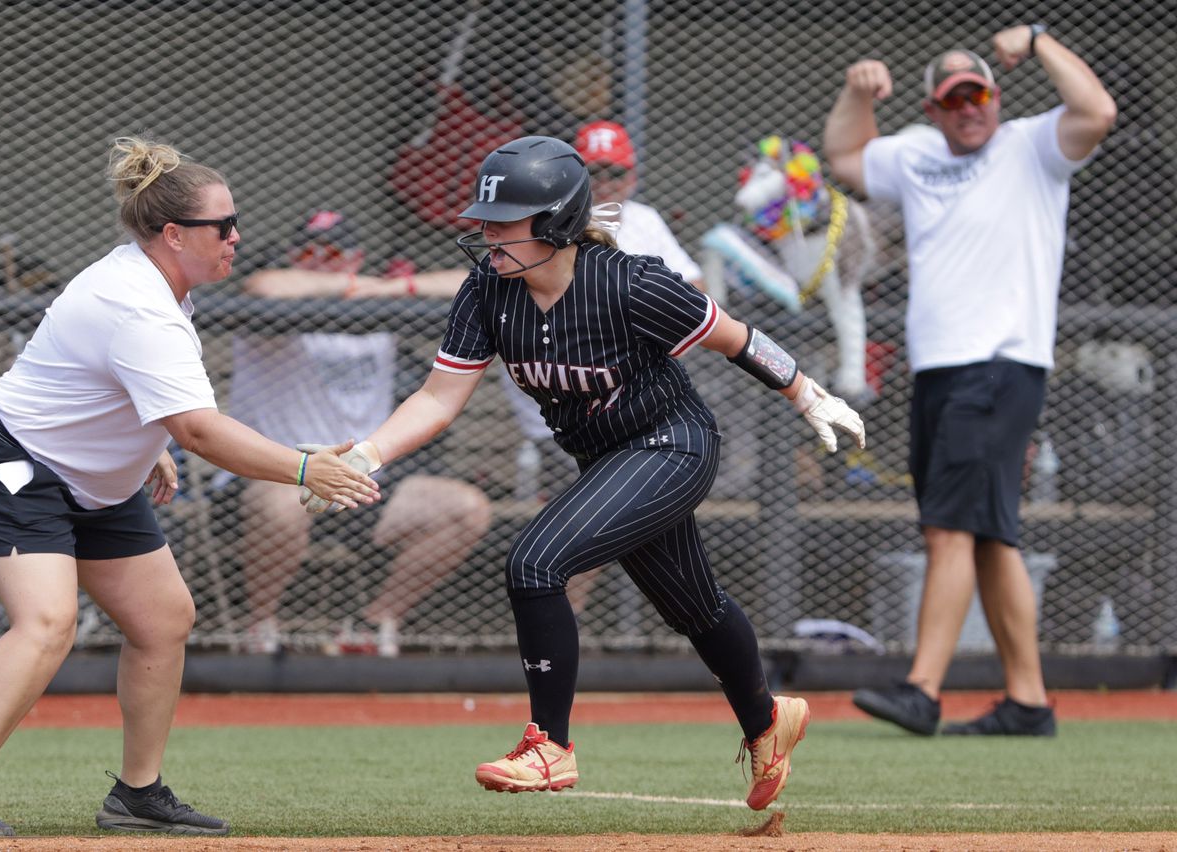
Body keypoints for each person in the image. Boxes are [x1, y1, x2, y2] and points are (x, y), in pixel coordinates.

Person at [302, 136, 865, 807]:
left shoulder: (628, 282)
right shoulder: (489, 289)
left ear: (557, 223)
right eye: (485, 218)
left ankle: (550, 746)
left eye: (504, 219)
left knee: (535, 564)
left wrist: (809, 395)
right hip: (605, 458)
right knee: (694, 607)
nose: (486, 233)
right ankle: (769, 721)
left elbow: (733, 336)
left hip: (672, 443)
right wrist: (367, 453)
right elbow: (438, 397)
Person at [0, 136, 379, 838]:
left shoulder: (162, 286)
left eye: (234, 222)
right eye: (222, 227)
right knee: (47, 622)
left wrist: (147, 441)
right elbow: (199, 430)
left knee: (164, 621)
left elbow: (133, 399)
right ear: (172, 234)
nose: (236, 237)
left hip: (96, 477)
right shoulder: (138, 302)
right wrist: (307, 468)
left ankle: (137, 793)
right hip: (10, 464)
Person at [822, 28, 1115, 736]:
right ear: (932, 108)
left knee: (948, 527)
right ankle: (1028, 701)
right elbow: (845, 156)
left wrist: (1041, 40)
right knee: (989, 535)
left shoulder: (1032, 144)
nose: (967, 110)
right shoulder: (917, 153)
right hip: (939, 368)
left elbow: (1098, 111)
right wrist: (858, 93)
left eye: (977, 95)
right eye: (953, 100)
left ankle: (922, 688)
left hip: (1000, 361)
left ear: (996, 97)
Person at [229, 208, 491, 656]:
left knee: (465, 509)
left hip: (361, 479)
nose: (318, 261)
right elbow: (265, 285)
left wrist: (393, 288)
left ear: (357, 258)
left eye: (333, 253)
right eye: (307, 252)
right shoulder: (274, 304)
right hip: (279, 475)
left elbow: (479, 283)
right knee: (280, 505)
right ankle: (260, 627)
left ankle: (373, 623)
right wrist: (348, 285)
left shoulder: (379, 303)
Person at [500, 120, 706, 614]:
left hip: (630, 413)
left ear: (631, 177)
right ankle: (550, 643)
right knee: (562, 548)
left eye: (617, 172)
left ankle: (557, 642)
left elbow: (694, 294)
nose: (609, 182)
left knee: (590, 549)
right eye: (598, 172)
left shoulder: (644, 220)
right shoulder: (544, 221)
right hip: (557, 420)